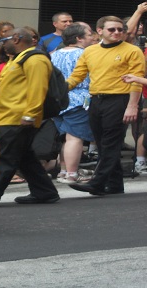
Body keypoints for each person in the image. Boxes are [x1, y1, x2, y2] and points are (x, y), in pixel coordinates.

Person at [66, 16, 145, 196]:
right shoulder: (90, 51)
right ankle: (115, 184)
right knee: (102, 143)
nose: (117, 32)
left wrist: (132, 105)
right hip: (96, 99)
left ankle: (97, 182)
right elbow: (77, 76)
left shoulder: (132, 51)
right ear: (99, 31)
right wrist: (59, 89)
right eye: (112, 29)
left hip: (120, 99)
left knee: (110, 142)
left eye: (120, 29)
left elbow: (136, 80)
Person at [0, 28, 60, 207]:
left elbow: (38, 89)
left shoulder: (35, 59)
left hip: (18, 118)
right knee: (24, 157)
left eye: (3, 41)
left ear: (15, 39)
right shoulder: (16, 60)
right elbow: (8, 88)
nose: (1, 45)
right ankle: (44, 192)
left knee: (6, 158)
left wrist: (30, 115)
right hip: (10, 117)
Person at [51, 24, 96, 184]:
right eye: (89, 34)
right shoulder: (85, 54)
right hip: (78, 100)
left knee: (66, 138)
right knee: (75, 138)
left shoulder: (55, 54)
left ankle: (63, 171)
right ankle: (72, 174)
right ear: (79, 38)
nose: (92, 37)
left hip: (58, 100)